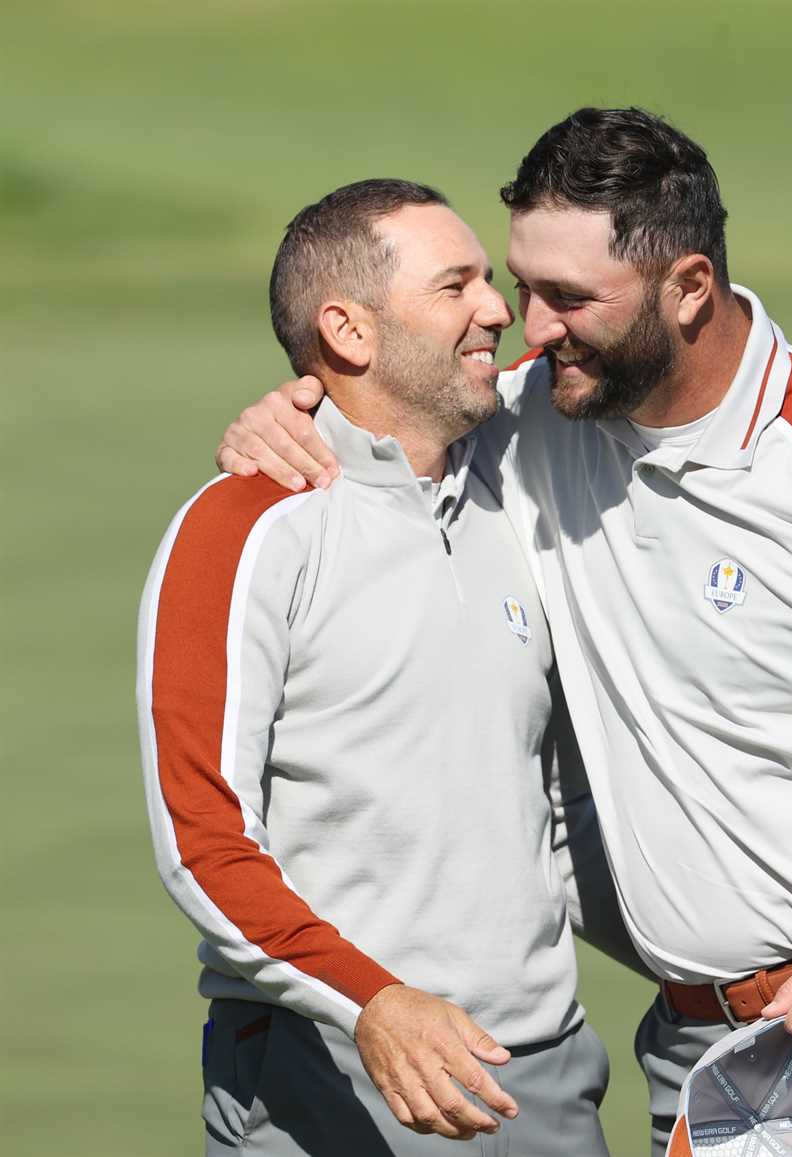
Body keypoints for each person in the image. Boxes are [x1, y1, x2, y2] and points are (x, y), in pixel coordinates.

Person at [217, 109, 792, 1157]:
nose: (525, 324)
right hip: (706, 1052)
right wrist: (291, 414)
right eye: (519, 282)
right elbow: (395, 412)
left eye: (568, 298)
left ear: (686, 287)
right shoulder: (539, 419)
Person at [138, 178, 619, 1156]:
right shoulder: (242, 529)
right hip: (335, 1076)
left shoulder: (521, 475)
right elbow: (205, 841)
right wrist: (372, 1001)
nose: (497, 309)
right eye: (457, 285)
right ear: (348, 332)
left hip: (543, 1082)